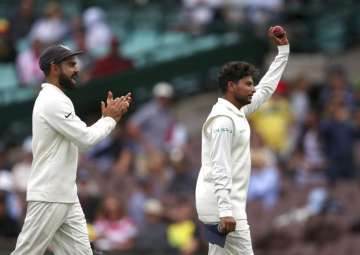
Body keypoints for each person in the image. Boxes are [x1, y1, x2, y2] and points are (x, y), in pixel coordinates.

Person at [11, 44, 132, 255]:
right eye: (71, 65)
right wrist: (110, 120)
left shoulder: (57, 99)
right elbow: (85, 139)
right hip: (49, 195)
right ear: (54, 68)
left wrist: (108, 119)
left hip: (65, 195)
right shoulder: (52, 101)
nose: (77, 69)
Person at [195, 26, 289, 255]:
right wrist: (226, 211)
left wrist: (283, 51)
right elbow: (220, 166)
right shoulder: (223, 121)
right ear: (231, 86)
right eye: (247, 84)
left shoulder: (237, 112)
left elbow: (266, 89)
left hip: (220, 205)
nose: (252, 88)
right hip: (223, 208)